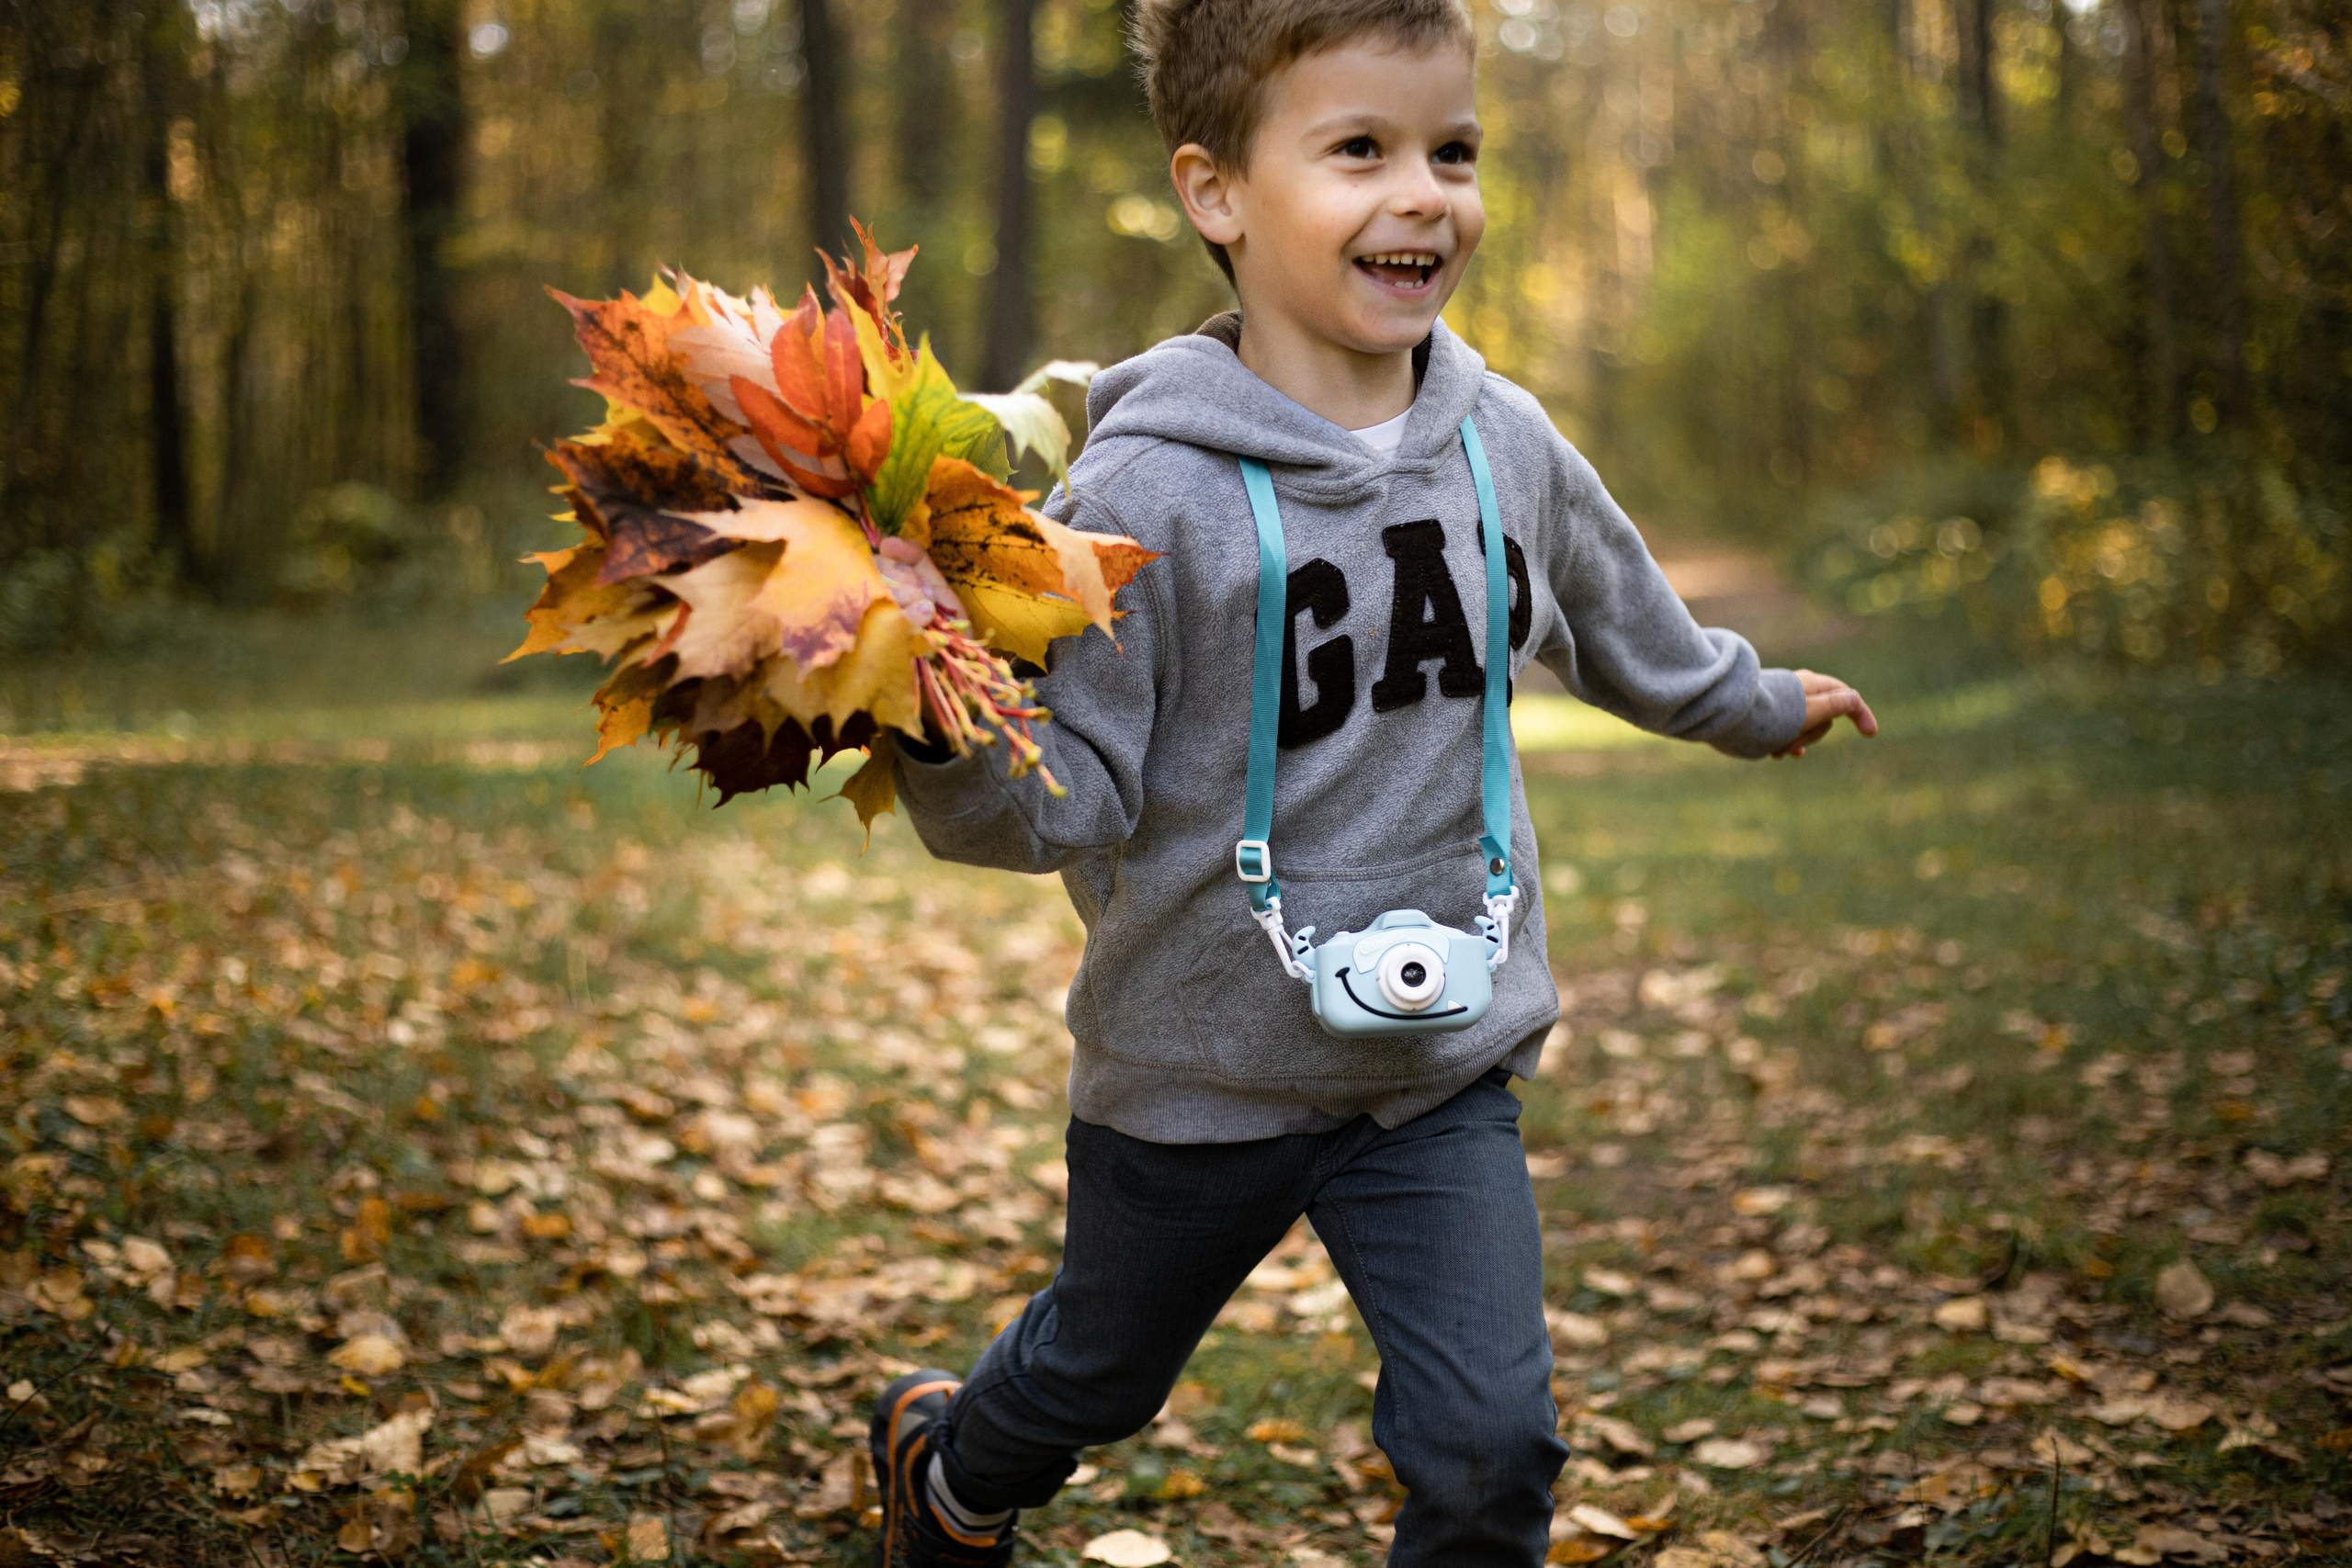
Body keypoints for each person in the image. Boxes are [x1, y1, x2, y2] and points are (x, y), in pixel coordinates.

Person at [866, 1, 1878, 1562]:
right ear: (1216, 191)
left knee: (1492, 1450)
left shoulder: (1504, 443)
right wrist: (937, 726)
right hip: (1198, 1067)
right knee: (1096, 1374)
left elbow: (1623, 618)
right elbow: (1072, 798)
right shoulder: (1141, 495)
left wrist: (1748, 702)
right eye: (1361, 149)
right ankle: (951, 1475)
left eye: (1451, 151)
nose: (1424, 194)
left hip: (1437, 1062)